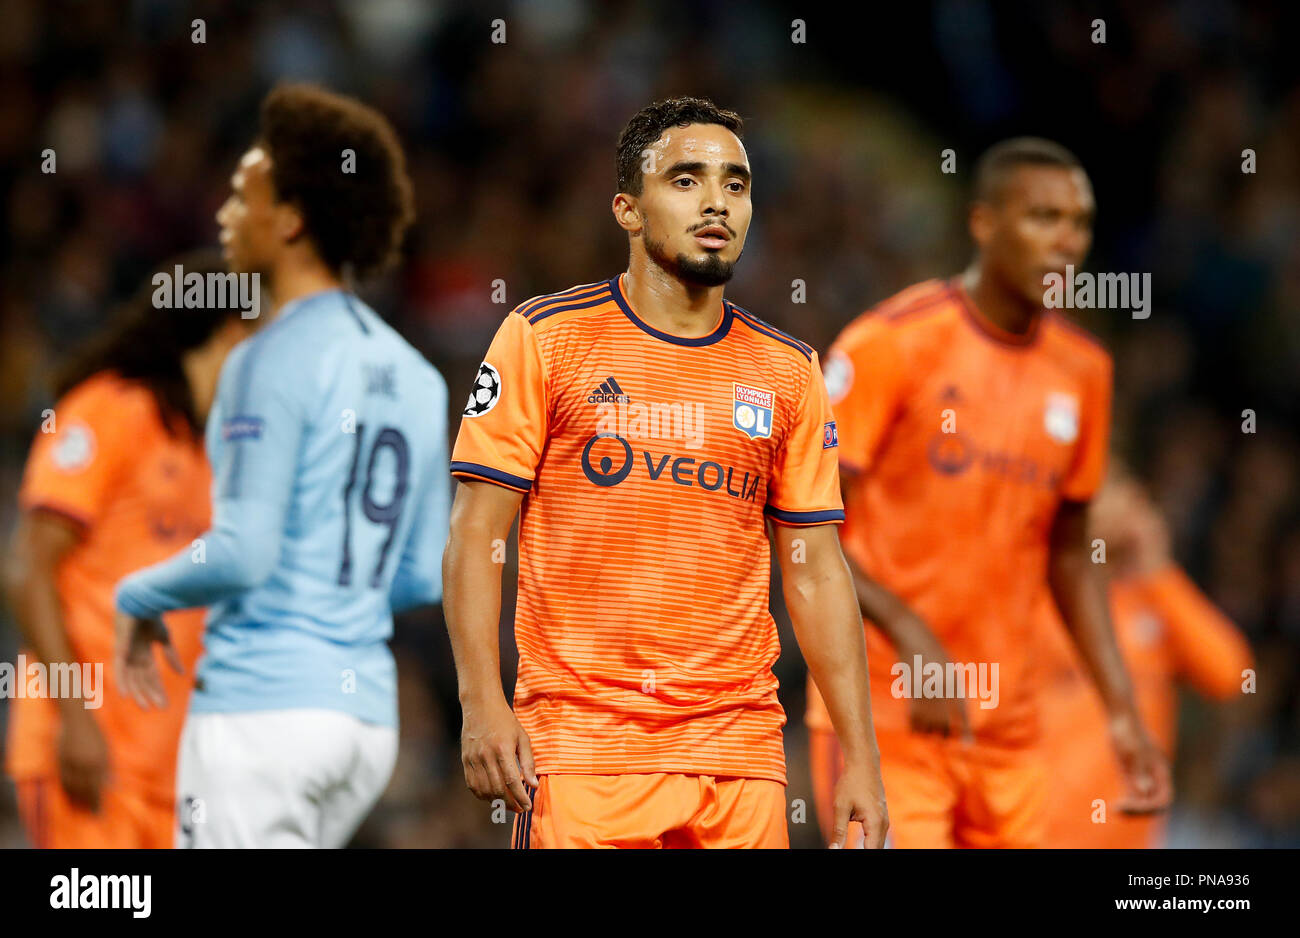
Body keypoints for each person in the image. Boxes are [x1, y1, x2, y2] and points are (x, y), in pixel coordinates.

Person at [443, 96, 888, 849]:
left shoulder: (789, 371)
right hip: (583, 747)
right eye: (686, 180)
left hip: (739, 756)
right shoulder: (544, 338)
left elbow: (813, 572)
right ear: (628, 208)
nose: (717, 200)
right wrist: (481, 699)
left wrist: (861, 756)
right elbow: (476, 533)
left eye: (736, 184)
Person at [807, 137, 1170, 848]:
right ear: (984, 223)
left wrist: (1121, 709)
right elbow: (799, 526)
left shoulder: (1085, 372)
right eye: (1043, 218)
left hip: (1007, 734)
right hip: (882, 718)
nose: (1067, 242)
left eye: (1080, 223)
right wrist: (909, 632)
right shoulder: (892, 343)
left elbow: (1070, 554)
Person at [113, 84, 449, 848]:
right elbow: (423, 574)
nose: (225, 214)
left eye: (243, 196)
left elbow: (245, 551)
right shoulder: (421, 377)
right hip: (363, 722)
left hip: (262, 714)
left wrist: (137, 594)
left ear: (291, 219)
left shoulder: (266, 360)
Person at [4, 249, 255, 847]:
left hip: (172, 771)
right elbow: (26, 567)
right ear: (229, 328)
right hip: (91, 756)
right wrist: (74, 718)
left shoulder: (212, 448)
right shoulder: (108, 410)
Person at [1039, 470, 1252, 847]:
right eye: (1105, 497)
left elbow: (1232, 676)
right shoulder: (1043, 597)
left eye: (1131, 499)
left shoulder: (1155, 603)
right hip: (1041, 832)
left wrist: (1158, 570)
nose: (1124, 511)